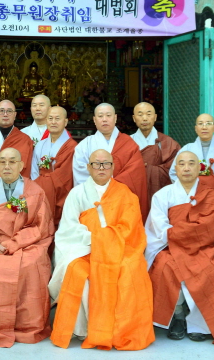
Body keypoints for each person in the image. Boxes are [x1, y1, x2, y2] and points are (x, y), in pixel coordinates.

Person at [50, 150, 154, 351]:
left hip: (120, 249)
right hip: (85, 248)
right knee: (76, 270)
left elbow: (131, 228)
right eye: (96, 164)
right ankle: (84, 330)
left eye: (106, 164)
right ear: (88, 168)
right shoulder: (77, 193)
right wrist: (96, 239)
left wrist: (105, 240)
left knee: (130, 268)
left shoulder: (125, 194)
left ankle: (120, 330)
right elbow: (69, 228)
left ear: (113, 167)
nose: (101, 168)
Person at [0, 148, 54, 349]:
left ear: (21, 165)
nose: (7, 166)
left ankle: (26, 326)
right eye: (2, 162)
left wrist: (16, 243)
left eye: (12, 162)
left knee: (31, 265)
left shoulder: (35, 191)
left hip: (27, 243)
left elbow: (41, 226)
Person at [145, 151, 214, 343]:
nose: (186, 168)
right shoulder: (163, 195)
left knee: (213, 269)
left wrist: (183, 235)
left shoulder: (210, 195)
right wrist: (183, 236)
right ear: (175, 169)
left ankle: (199, 324)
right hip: (170, 246)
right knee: (166, 266)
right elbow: (160, 226)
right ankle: (177, 316)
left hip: (202, 247)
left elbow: (210, 226)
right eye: (182, 164)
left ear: (199, 168)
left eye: (191, 163)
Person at [72, 103, 149, 219]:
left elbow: (135, 173)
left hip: (121, 199)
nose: (104, 119)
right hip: (93, 199)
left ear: (115, 118)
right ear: (94, 120)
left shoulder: (128, 143)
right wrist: (100, 189)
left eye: (108, 115)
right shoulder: (84, 145)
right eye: (100, 116)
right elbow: (80, 174)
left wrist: (111, 187)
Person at [170, 113, 214, 202]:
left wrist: (199, 181)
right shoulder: (186, 149)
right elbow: (174, 173)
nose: (204, 127)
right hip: (189, 198)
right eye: (200, 124)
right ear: (196, 128)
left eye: (208, 123)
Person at [30, 105, 77, 227]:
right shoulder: (40, 145)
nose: (53, 122)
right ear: (46, 121)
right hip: (40, 191)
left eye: (57, 118)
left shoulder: (71, 146)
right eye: (50, 118)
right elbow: (34, 171)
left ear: (65, 122)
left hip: (60, 193)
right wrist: (37, 188)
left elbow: (65, 176)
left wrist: (44, 184)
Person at [130, 101, 181, 207]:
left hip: (161, 194)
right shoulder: (127, 142)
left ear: (155, 117)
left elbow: (176, 170)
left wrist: (148, 169)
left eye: (149, 114)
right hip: (134, 193)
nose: (145, 118)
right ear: (134, 118)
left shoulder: (167, 142)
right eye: (140, 114)